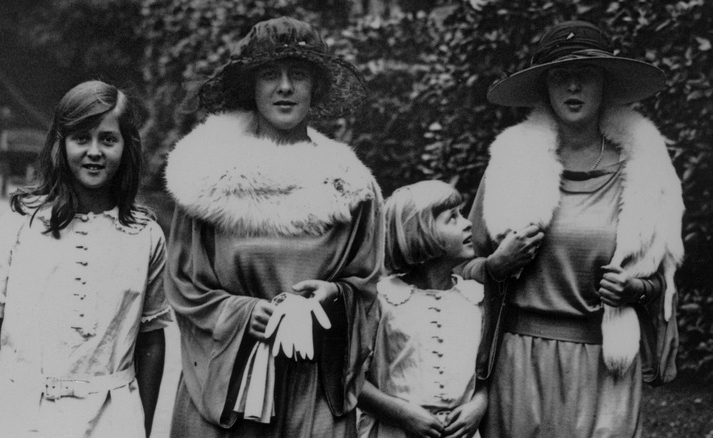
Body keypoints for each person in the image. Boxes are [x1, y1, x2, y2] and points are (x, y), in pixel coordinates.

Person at [163, 16, 384, 437]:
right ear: (252, 87)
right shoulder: (207, 177)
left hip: (314, 385)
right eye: (270, 74)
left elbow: (368, 285)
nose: (284, 87)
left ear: (315, 87)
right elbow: (183, 285)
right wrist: (244, 314)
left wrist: (334, 297)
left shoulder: (351, 186)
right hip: (231, 380)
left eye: (298, 74)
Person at [465, 20, 684, 437]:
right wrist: (496, 264)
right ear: (545, 88)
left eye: (585, 75)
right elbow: (456, 272)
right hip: (521, 359)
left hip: (609, 360)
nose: (573, 88)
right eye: (560, 77)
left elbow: (663, 279)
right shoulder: (511, 164)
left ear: (605, 85)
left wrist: (636, 290)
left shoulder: (645, 170)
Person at [0, 80, 172, 438]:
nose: (94, 151)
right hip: (20, 413)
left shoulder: (145, 235)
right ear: (61, 143)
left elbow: (151, 339)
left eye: (108, 139)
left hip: (111, 418)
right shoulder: (22, 221)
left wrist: (141, 426)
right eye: (81, 138)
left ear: (126, 146)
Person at [357, 181, 487, 438]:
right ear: (421, 232)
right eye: (452, 218)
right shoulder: (382, 299)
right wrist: (403, 414)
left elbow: (489, 375)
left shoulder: (476, 298)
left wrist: (479, 404)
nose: (467, 223)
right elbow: (352, 381)